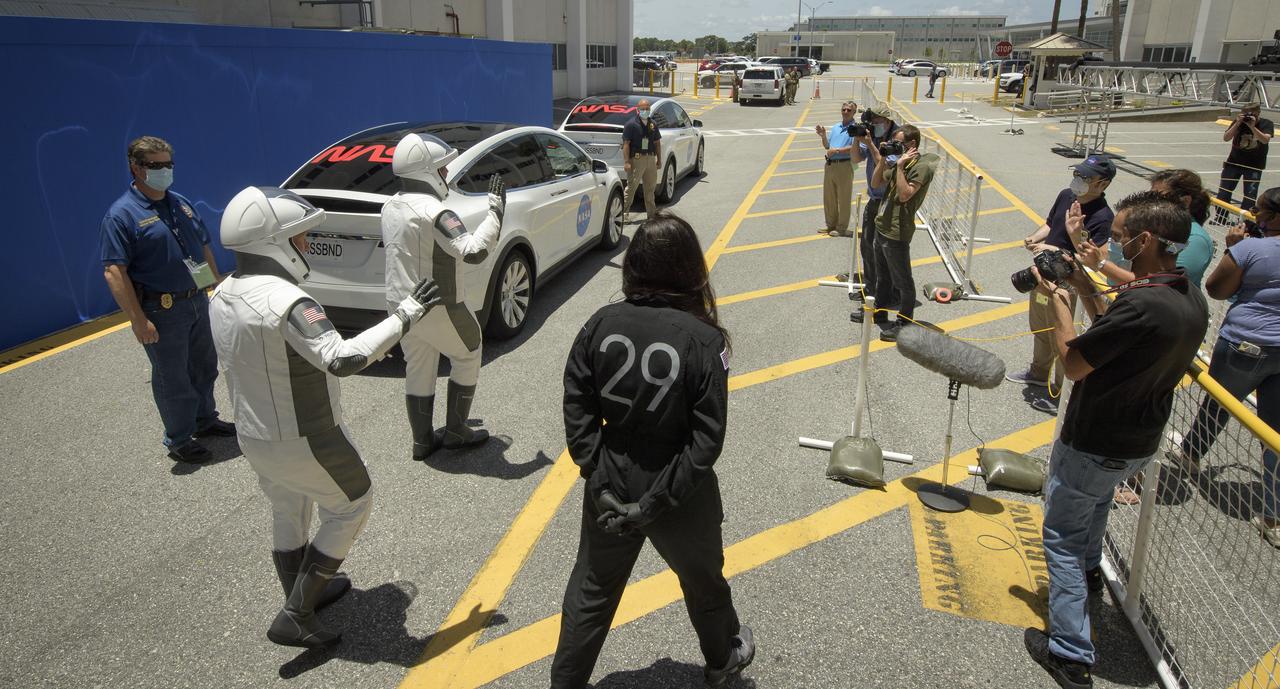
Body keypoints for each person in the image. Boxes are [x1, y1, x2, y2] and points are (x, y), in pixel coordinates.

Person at [209, 186, 442, 648]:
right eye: (298, 237)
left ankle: (301, 594)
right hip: (306, 434)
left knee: (289, 508)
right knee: (353, 504)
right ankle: (296, 612)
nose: (307, 245)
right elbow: (341, 358)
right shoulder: (288, 301)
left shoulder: (221, 293)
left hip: (253, 435)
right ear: (272, 241)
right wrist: (406, 314)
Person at [551, 212, 753, 689]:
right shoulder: (704, 340)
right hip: (680, 487)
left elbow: (576, 402)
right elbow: (706, 442)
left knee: (592, 591)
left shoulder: (600, 322)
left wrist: (594, 471)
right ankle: (722, 659)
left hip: (611, 473)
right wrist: (656, 502)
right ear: (689, 267)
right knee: (704, 582)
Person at [1023, 191, 1208, 689]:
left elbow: (1076, 362)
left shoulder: (1145, 303)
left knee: (1059, 535)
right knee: (1097, 506)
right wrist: (1085, 285)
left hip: (1095, 438)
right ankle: (1088, 573)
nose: (1115, 243)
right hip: (1138, 441)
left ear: (1145, 240)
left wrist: (1061, 301)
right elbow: (1119, 331)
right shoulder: (1185, 293)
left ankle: (1069, 651)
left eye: (1123, 235)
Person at [100, 135, 235, 464]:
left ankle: (205, 419)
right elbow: (114, 272)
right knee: (172, 376)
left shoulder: (181, 203)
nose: (164, 171)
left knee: (204, 366)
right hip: (162, 309)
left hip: (195, 300)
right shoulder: (122, 216)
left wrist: (212, 288)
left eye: (168, 165)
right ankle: (179, 438)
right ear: (136, 168)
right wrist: (137, 320)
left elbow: (200, 246)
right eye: (156, 166)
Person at [1166, 187, 1280, 549]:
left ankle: (1190, 456)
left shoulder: (1249, 248)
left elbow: (1216, 289)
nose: (1252, 216)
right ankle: (1273, 514)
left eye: (1259, 211)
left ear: (1273, 218)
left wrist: (1234, 247)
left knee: (1218, 404)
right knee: (1274, 427)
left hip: (1246, 343)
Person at [383, 132, 506, 460]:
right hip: (440, 303)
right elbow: (475, 251)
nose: (446, 175)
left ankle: (422, 441)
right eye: (441, 169)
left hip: (401, 304)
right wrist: (496, 212)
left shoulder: (390, 206)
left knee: (418, 366)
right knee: (469, 353)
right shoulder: (437, 212)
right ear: (425, 171)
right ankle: (456, 431)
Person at [1007, 155, 1116, 414]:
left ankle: (1059, 391)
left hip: (1068, 283)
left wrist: (1053, 248)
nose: (1078, 181)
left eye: (1085, 178)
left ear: (1103, 184)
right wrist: (1035, 237)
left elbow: (1094, 259)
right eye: (1078, 174)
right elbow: (1049, 223)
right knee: (1039, 326)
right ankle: (1037, 371)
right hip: (1043, 275)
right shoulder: (1066, 195)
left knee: (1063, 335)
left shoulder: (1103, 216)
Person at [1075, 169, 1214, 288]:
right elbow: (1107, 255)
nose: (1150, 200)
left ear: (1185, 201)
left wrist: (1101, 265)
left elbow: (1161, 283)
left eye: (1158, 196)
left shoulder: (1195, 239)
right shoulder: (1154, 226)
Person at [867, 124, 939, 342]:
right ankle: (880, 312)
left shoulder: (920, 166)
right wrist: (882, 158)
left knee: (903, 281)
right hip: (882, 226)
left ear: (912, 145)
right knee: (883, 276)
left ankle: (904, 323)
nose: (894, 146)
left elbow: (906, 194)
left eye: (898, 144)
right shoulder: (902, 161)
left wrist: (899, 167)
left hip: (897, 231)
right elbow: (876, 182)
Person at [844, 106, 899, 295]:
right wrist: (857, 139)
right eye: (872, 122)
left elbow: (887, 164)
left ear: (887, 121)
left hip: (890, 202)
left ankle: (887, 292)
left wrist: (870, 143)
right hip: (874, 199)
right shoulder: (872, 135)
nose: (874, 126)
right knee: (867, 246)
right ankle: (871, 289)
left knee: (885, 250)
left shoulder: (897, 138)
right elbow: (856, 158)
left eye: (877, 122)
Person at [1214, 103, 1273, 221]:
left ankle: (1245, 221)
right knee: (1224, 192)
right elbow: (1226, 138)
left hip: (1254, 166)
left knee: (1249, 196)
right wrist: (1237, 123)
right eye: (1244, 113)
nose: (1247, 116)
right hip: (1233, 163)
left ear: (1258, 113)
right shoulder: (1239, 123)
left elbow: (1265, 140)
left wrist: (1252, 126)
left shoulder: (1266, 123)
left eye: (1250, 114)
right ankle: (1221, 217)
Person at [814, 101, 859, 237]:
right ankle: (831, 224)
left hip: (844, 165)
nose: (845, 112)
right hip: (830, 165)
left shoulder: (855, 129)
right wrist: (823, 136)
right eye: (844, 109)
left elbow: (855, 148)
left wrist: (838, 151)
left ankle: (841, 227)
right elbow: (828, 147)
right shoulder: (836, 127)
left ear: (854, 113)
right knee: (829, 197)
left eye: (849, 110)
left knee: (844, 197)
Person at [622, 99, 662, 224]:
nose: (645, 111)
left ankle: (651, 215)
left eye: (647, 108)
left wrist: (659, 159)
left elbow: (657, 143)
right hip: (637, 159)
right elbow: (626, 144)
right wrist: (627, 161)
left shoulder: (652, 124)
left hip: (650, 158)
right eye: (643, 109)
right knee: (631, 187)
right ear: (637, 110)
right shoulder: (631, 124)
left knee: (650, 188)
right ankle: (623, 213)